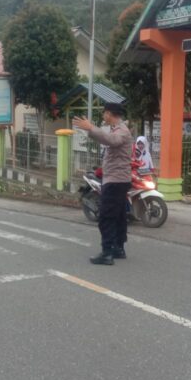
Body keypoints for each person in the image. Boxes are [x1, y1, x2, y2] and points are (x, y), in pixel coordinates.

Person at [72, 103, 134, 265]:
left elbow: (111, 140)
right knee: (119, 216)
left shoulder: (122, 130)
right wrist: (90, 129)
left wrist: (91, 127)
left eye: (104, 113)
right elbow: (107, 138)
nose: (103, 116)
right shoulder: (116, 129)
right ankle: (118, 248)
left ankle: (107, 253)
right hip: (118, 180)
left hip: (115, 181)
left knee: (106, 216)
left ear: (110, 114)